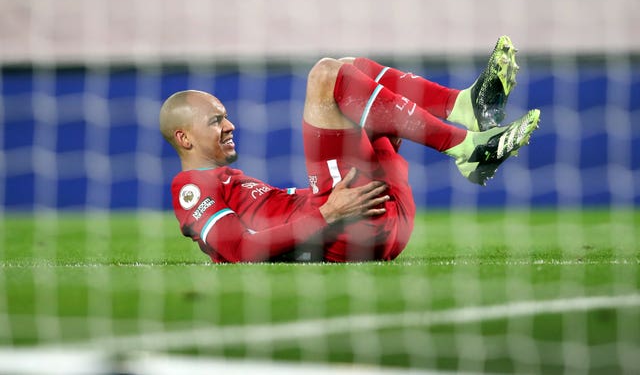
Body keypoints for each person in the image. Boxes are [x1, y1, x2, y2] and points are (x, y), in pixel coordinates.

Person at [159, 36, 540, 263]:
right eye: (216, 121)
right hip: (349, 228)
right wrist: (326, 213)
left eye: (225, 117)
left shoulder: (229, 180)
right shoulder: (190, 188)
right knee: (326, 75)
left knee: (348, 67)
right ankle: (466, 149)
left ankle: (463, 106)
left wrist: (384, 128)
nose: (230, 126)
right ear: (184, 139)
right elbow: (241, 250)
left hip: (375, 212)